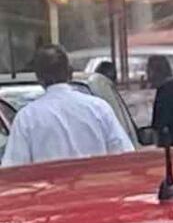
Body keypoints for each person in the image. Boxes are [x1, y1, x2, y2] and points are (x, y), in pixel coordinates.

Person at [1, 45, 134, 166]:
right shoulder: (99, 109)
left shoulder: (26, 118)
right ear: (70, 73)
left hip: (50, 191)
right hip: (96, 189)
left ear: (39, 78)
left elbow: (14, 169)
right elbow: (124, 156)